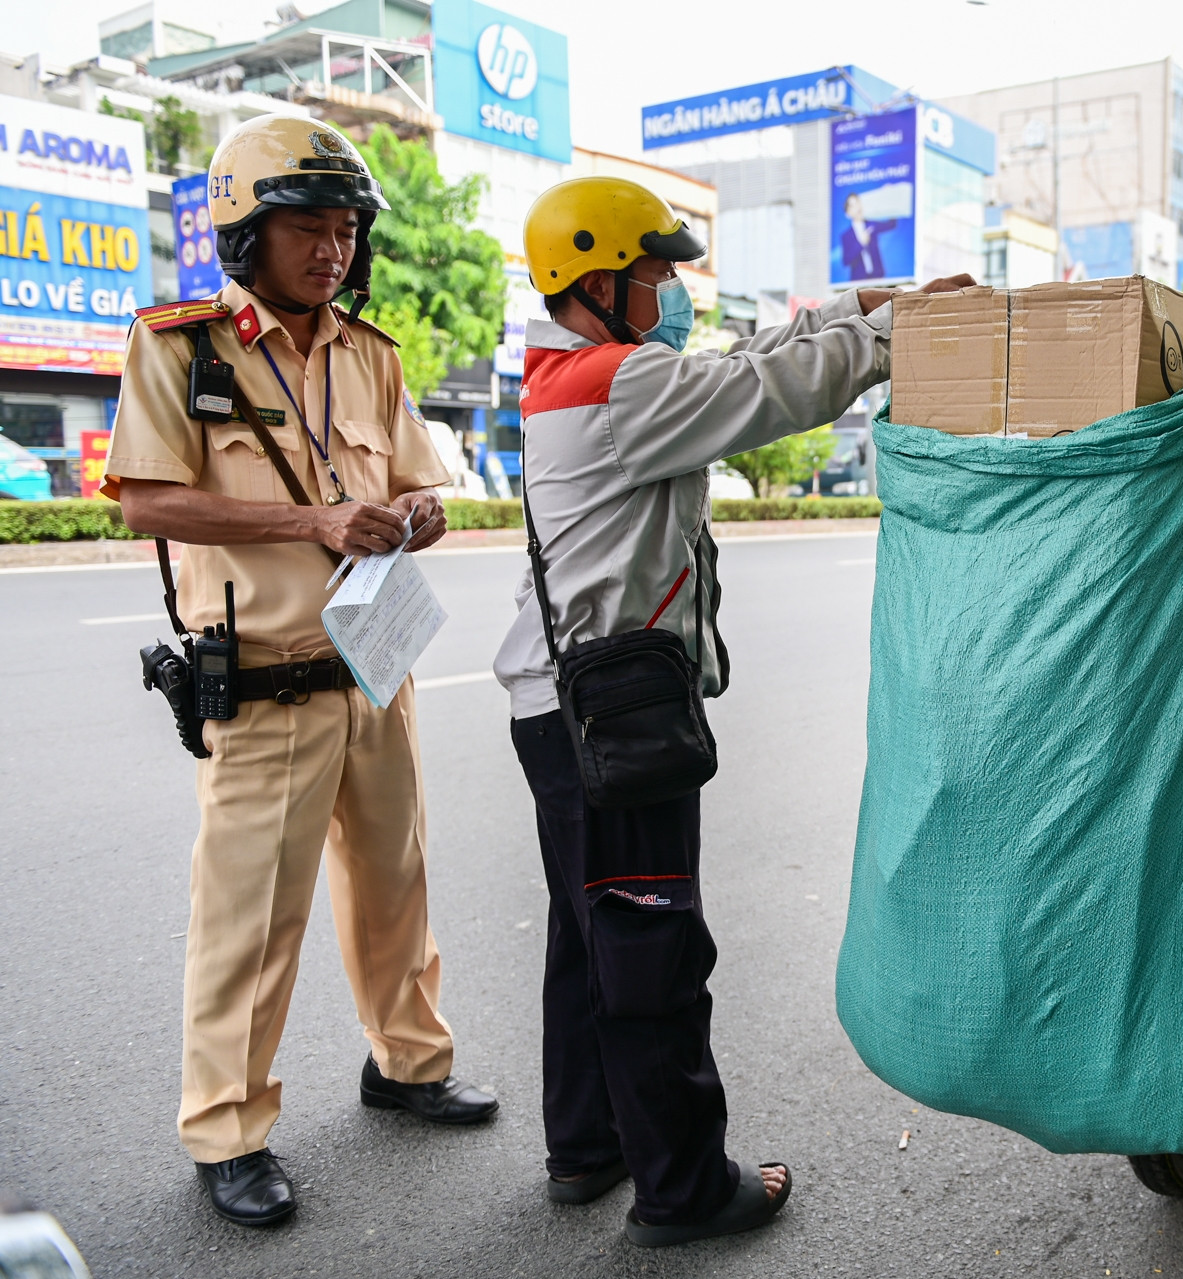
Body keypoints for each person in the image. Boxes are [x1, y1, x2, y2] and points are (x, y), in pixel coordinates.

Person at [495, 175, 973, 1249]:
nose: (671, 288)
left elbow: (748, 355)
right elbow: (772, 390)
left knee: (589, 936)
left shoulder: (585, 374)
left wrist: (868, 300)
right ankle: (683, 1188)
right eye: (655, 271)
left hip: (559, 706)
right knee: (649, 942)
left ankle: (589, 1145)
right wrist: (892, 332)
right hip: (608, 715)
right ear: (599, 278)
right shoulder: (617, 386)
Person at [103, 115, 496, 1227]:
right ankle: (227, 1129)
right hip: (265, 677)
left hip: (375, 665)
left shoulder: (371, 355)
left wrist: (412, 515)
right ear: (246, 235)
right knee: (250, 919)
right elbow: (146, 499)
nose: (331, 252)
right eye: (306, 232)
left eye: (342, 233)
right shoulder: (181, 347)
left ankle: (409, 1061)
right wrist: (312, 516)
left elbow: (425, 486)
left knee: (396, 883)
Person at [838, 193, 897, 280]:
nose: (857, 207)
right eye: (853, 205)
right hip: (859, 282)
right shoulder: (846, 236)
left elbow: (891, 224)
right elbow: (846, 261)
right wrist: (861, 244)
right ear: (848, 213)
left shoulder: (872, 225)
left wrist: (889, 196)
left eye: (858, 202)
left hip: (878, 278)